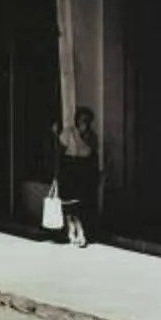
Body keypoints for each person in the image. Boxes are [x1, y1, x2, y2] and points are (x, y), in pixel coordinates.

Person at [54, 106, 101, 248]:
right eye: (81, 119)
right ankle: (72, 230)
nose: (84, 123)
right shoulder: (68, 133)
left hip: (84, 170)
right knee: (69, 203)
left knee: (81, 204)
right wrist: (56, 173)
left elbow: (93, 153)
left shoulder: (92, 136)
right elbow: (59, 153)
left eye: (86, 120)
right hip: (69, 168)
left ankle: (81, 231)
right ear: (76, 120)